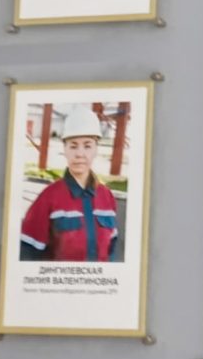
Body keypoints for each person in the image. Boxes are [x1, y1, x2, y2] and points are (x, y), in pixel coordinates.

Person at [17, 111, 123, 263]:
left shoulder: (107, 197)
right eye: (73, 146)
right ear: (65, 149)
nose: (80, 154)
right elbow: (28, 253)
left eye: (87, 146)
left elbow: (111, 248)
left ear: (96, 150)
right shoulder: (49, 197)